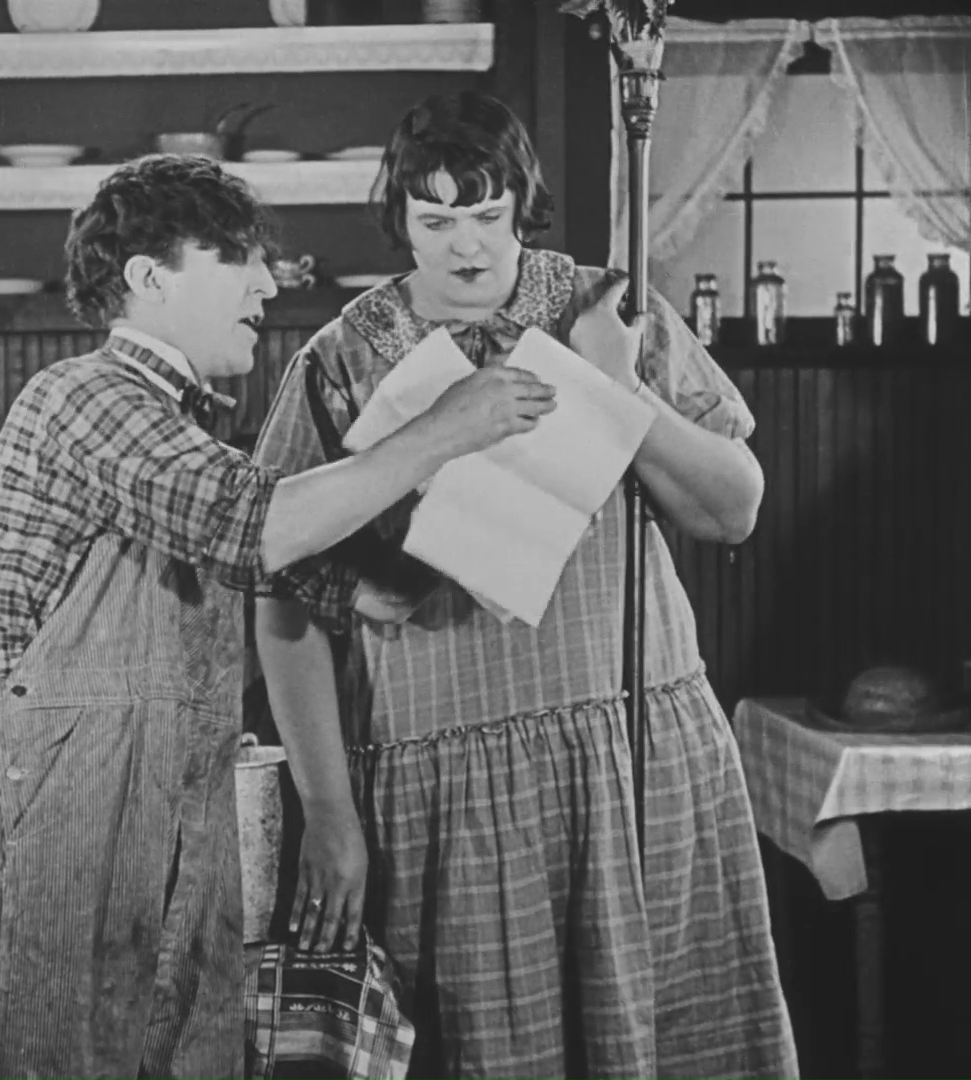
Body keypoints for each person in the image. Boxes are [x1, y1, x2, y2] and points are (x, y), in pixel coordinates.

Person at [0, 153, 559, 1080]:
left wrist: (483, 472)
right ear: (149, 279)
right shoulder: (85, 398)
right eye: (238, 257)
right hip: (24, 869)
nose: (269, 283)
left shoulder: (186, 440)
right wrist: (444, 427)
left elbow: (376, 593)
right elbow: (255, 527)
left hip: (134, 862)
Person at [252, 91, 798, 1080]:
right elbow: (281, 600)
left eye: (487, 214)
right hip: (447, 790)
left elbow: (733, 510)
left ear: (523, 205)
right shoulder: (339, 361)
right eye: (435, 220)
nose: (465, 247)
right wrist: (327, 808)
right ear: (399, 218)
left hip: (632, 752)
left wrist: (615, 385)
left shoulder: (608, 312)